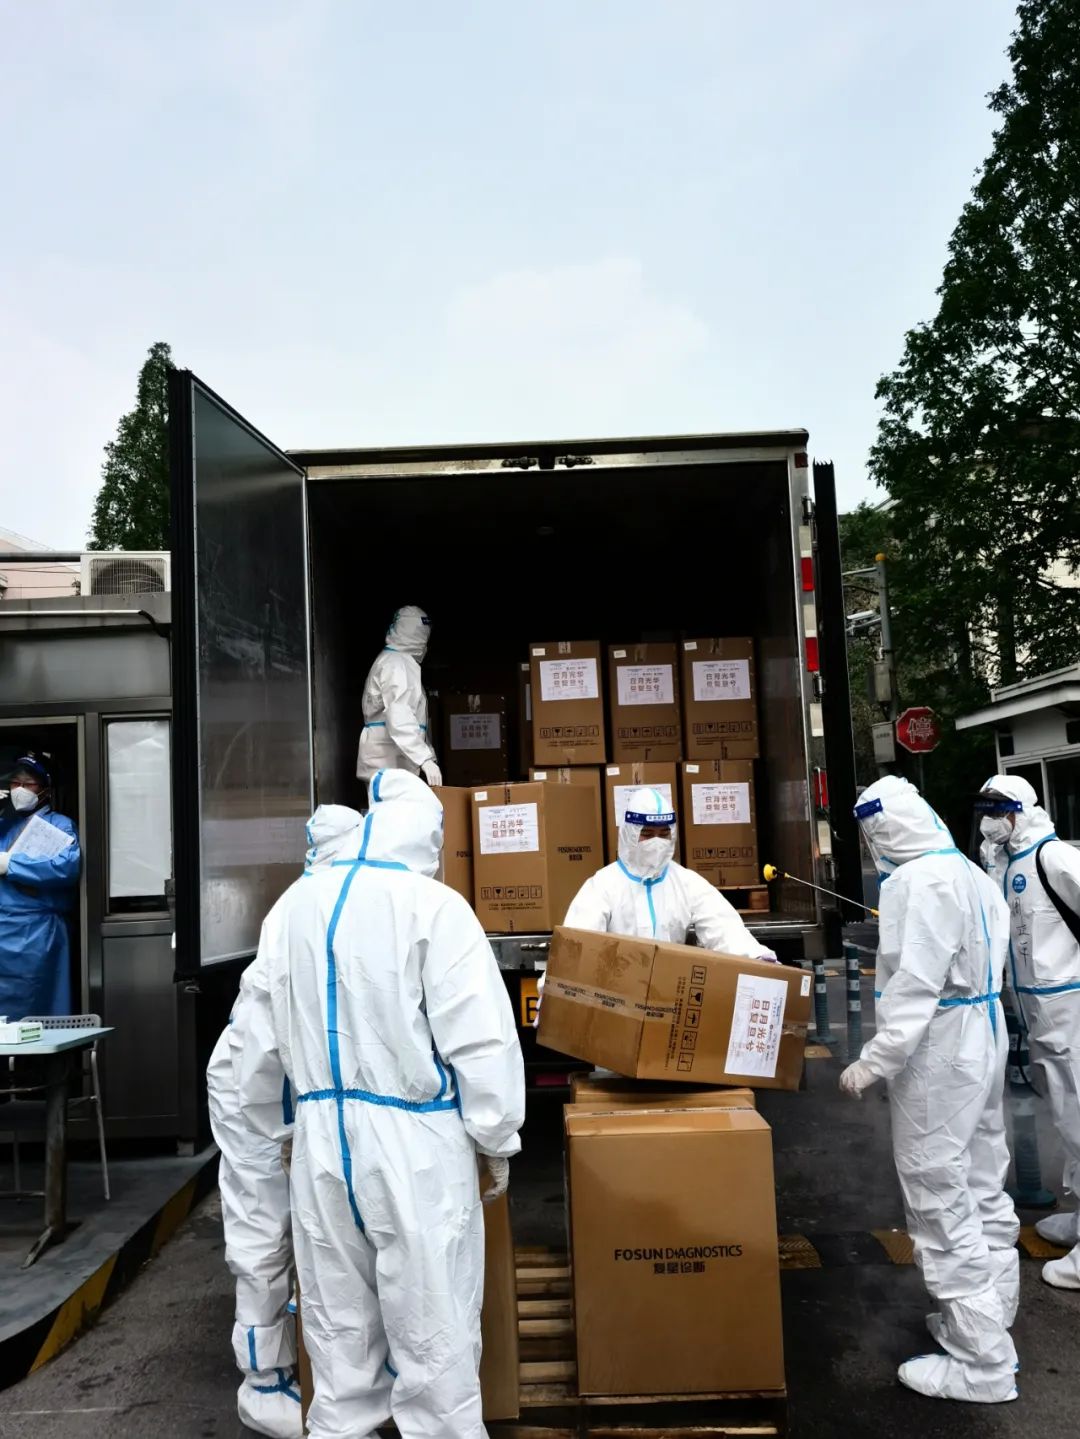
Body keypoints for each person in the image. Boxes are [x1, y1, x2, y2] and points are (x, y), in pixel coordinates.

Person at [235, 775, 525, 1439]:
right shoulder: (433, 906)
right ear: (427, 837)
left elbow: (257, 1044)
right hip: (416, 1147)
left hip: (320, 1142)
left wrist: (281, 1127)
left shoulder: (292, 908)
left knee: (338, 1337)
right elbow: (481, 1037)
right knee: (435, 1334)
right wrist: (495, 1136)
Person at [840, 775, 1019, 1404]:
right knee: (982, 1179)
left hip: (941, 1046)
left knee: (937, 1191)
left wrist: (875, 1060)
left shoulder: (916, 882)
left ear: (882, 829)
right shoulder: (968, 871)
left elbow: (915, 985)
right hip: (983, 1032)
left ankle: (982, 1362)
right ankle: (991, 1313)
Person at [977, 773, 1080, 1289]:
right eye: (985, 809)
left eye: (999, 809)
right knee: (1065, 1116)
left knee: (1079, 1115)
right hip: (1039, 1013)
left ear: (1021, 810)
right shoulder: (1006, 864)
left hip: (1070, 1008)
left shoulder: (1053, 857)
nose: (990, 818)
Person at [207, 962, 302, 1439]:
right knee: (264, 1230)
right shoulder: (296, 935)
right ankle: (264, 1384)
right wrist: (285, 1134)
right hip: (257, 1097)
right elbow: (263, 1055)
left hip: (279, 1092)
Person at [564, 785, 777, 956]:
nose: (656, 842)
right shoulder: (603, 886)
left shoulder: (686, 883)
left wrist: (757, 958)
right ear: (629, 833)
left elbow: (724, 928)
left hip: (668, 989)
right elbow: (576, 947)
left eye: (664, 834)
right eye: (647, 834)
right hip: (616, 991)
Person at [0, 753, 81, 1018]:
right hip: (3, 932)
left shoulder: (60, 826)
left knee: (41, 1009)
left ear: (45, 789)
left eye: (28, 784)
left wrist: (12, 864)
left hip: (40, 933)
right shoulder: (4, 827)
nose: (20, 789)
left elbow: (66, 866)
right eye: (15, 783)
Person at [356, 607, 442, 789]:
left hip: (392, 765)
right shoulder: (396, 664)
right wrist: (424, 758)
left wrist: (428, 754)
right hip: (388, 765)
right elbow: (399, 715)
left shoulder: (398, 662)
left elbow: (413, 721)